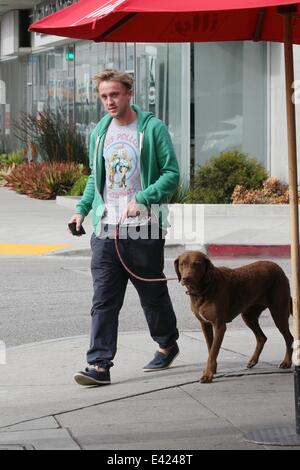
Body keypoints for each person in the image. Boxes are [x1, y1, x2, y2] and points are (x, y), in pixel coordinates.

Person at [69, 69, 180, 386]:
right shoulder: (99, 133)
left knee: (152, 295)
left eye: (114, 94)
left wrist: (144, 197)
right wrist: (81, 210)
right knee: (104, 298)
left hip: (144, 228)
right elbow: (96, 177)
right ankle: (99, 365)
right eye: (104, 96)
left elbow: (172, 174)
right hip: (106, 229)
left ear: (129, 93)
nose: (109, 101)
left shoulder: (152, 129)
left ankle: (167, 343)